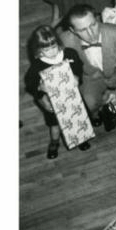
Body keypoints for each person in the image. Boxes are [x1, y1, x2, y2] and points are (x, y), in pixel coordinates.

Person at [58, 4, 116, 120]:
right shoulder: (64, 41)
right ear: (72, 30)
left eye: (93, 25)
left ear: (97, 19)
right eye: (83, 30)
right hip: (91, 78)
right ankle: (97, 111)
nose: (91, 34)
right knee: (87, 103)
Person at [24, 25, 88, 159]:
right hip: (52, 102)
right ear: (38, 50)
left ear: (58, 43)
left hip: (72, 97)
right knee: (54, 126)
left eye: (53, 47)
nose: (52, 52)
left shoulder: (70, 54)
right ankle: (54, 142)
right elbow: (30, 84)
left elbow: (78, 67)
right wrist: (40, 89)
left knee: (77, 118)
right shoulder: (37, 66)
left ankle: (81, 138)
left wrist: (77, 77)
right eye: (46, 50)